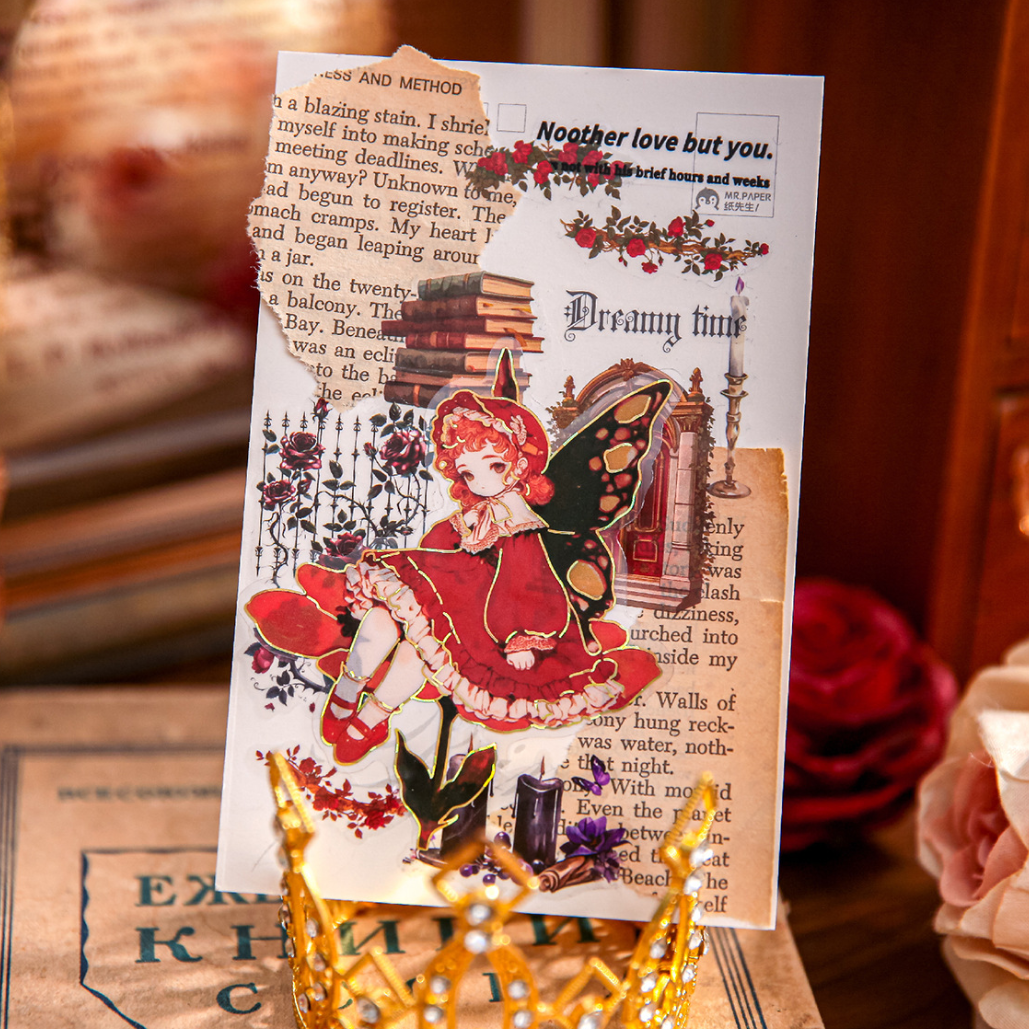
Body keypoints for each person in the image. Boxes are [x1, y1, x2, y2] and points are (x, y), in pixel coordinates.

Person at [320, 387, 660, 764]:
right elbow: (438, 546)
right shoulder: (477, 511)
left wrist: (521, 637)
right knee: (383, 618)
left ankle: (371, 718)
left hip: (492, 613)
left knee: (418, 653)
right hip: (452, 584)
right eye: (468, 472)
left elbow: (528, 580)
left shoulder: (518, 519)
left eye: (495, 466)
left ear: (518, 464)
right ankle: (346, 692)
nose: (481, 482)